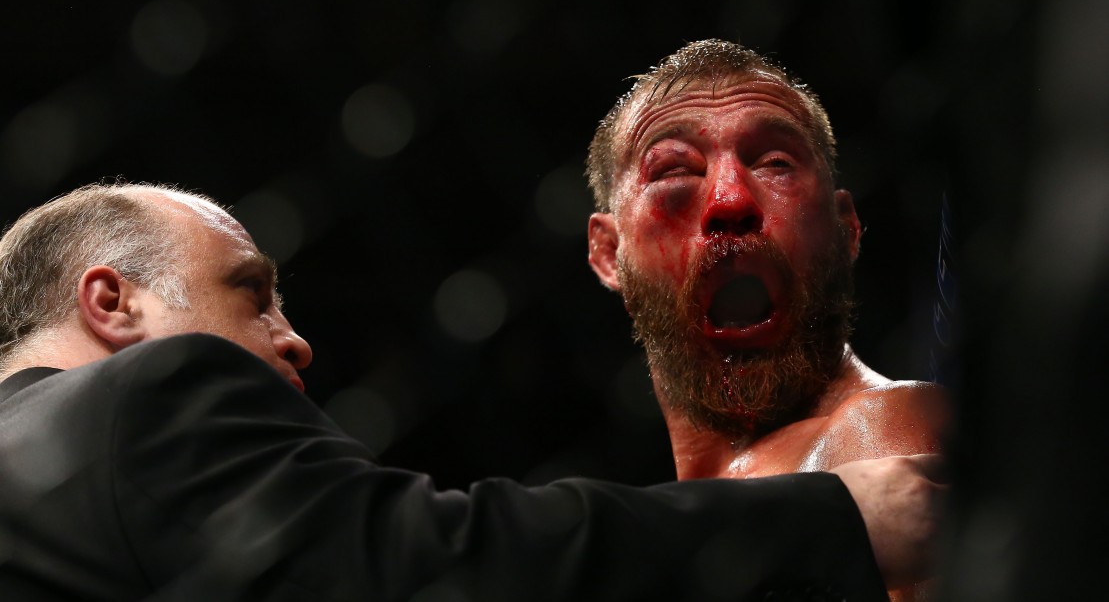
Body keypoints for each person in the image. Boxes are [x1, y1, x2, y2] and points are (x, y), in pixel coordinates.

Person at [0, 182, 941, 600]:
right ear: (112, 303)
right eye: (250, 295)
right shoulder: (143, 398)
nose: (295, 339)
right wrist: (833, 517)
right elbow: (429, 561)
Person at [584, 39, 949, 601]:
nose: (731, 199)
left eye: (775, 163)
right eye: (675, 171)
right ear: (610, 254)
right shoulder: (663, 531)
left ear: (846, 227)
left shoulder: (884, 430)